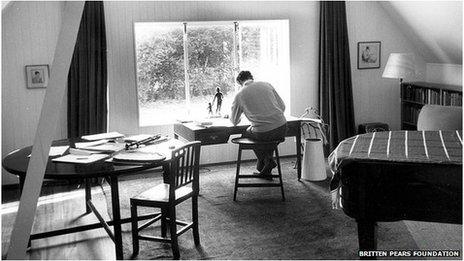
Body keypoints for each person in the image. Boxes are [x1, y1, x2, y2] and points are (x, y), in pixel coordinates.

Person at [230, 71, 287, 179]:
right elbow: (282, 107)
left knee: (247, 133)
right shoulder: (266, 85)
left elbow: (234, 121)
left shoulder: (240, 94)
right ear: (252, 78)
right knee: (267, 142)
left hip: (264, 133)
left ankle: (266, 161)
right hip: (282, 127)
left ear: (240, 82)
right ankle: (266, 169)